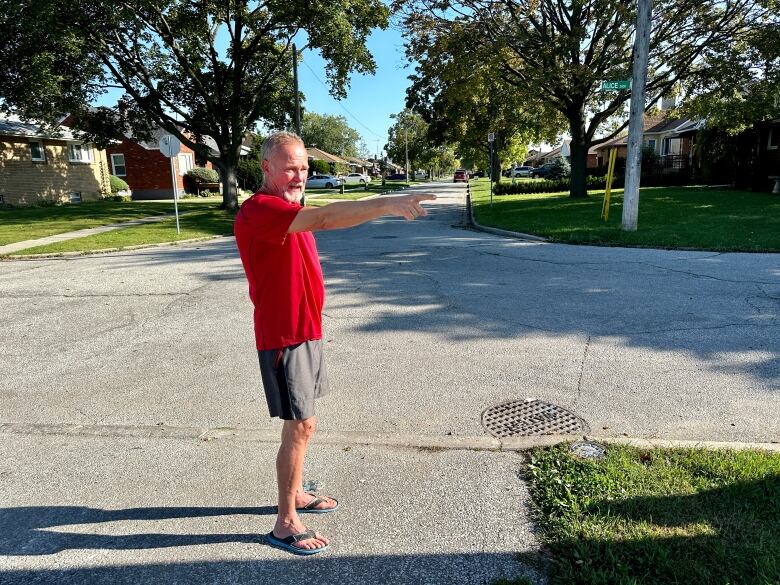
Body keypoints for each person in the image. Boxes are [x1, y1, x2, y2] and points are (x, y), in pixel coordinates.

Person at [234, 131, 435, 555]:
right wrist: (385, 203)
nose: (299, 175)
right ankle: (285, 522)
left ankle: (296, 494)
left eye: (304, 167)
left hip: (307, 331)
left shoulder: (289, 208)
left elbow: (319, 219)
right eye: (290, 166)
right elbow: (327, 218)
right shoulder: (261, 210)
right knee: (301, 423)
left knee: (304, 423)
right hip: (285, 336)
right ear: (266, 167)